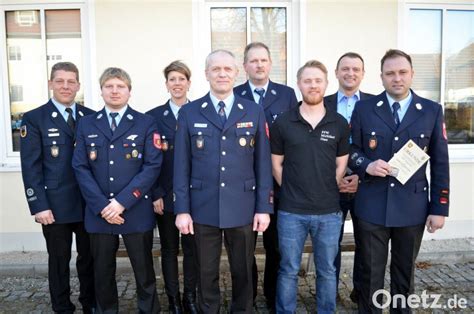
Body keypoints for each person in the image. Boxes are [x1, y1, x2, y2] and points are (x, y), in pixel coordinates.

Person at [349, 49, 450, 313]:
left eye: (402, 72)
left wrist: (439, 209)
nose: (397, 78)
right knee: (370, 274)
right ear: (381, 77)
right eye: (390, 73)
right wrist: (366, 165)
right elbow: (350, 150)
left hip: (412, 206)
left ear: (412, 74)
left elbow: (440, 163)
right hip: (371, 205)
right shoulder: (364, 108)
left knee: (404, 275)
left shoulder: (431, 111)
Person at [173, 49, 273, 314]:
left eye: (227, 69)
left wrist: (264, 206)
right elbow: (181, 165)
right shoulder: (190, 112)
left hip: (242, 206)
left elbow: (263, 163)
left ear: (236, 73)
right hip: (202, 206)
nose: (222, 74)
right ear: (206, 74)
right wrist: (182, 209)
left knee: (243, 271)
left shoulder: (253, 110)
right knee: (206, 273)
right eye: (216, 69)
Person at [72, 67, 162, 313]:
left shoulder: (145, 123)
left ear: (129, 91)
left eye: (120, 86)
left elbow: (152, 165)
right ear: (101, 91)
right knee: (102, 274)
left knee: (144, 274)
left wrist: (121, 202)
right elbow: (80, 167)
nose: (114, 91)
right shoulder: (86, 124)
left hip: (134, 211)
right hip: (99, 213)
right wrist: (103, 206)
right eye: (109, 86)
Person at [271, 60, 350, 313]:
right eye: (307, 80)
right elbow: (276, 165)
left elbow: (341, 165)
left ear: (326, 84)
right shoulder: (283, 122)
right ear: (299, 85)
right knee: (288, 269)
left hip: (328, 211)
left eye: (318, 80)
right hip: (291, 211)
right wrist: (294, 190)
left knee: (327, 270)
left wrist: (324, 189)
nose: (313, 85)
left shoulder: (338, 123)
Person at [20, 61, 96, 314]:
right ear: (51, 83)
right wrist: (38, 205)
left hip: (88, 205)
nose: (66, 86)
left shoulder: (91, 117)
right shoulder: (34, 119)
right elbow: (30, 167)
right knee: (59, 260)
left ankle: (90, 303)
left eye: (71, 81)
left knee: (89, 259)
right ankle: (62, 307)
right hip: (54, 206)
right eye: (60, 81)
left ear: (78, 85)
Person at [234, 42, 298, 309]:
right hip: (244, 183)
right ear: (245, 66)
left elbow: (296, 135)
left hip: (280, 184)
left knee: (276, 246)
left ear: (271, 64)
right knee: (245, 247)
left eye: (263, 60)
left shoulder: (286, 94)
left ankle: (272, 297)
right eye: (253, 61)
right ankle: (247, 298)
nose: (259, 65)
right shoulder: (233, 94)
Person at [146, 61, 198, 314]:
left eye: (181, 79)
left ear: (189, 82)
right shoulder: (153, 117)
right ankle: (173, 300)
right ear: (166, 84)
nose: (177, 83)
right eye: (172, 79)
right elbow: (149, 160)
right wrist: (155, 193)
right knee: (169, 249)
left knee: (192, 250)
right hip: (164, 195)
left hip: (194, 195)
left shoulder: (200, 111)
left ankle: (190, 297)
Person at [324, 52, 374, 302]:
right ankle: (328, 294)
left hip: (367, 185)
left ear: (363, 74)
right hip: (330, 185)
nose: (350, 73)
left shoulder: (376, 104)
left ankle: (361, 293)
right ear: (336, 73)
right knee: (330, 245)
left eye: (356, 69)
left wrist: (361, 176)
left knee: (367, 245)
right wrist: (336, 177)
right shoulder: (321, 104)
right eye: (345, 68)